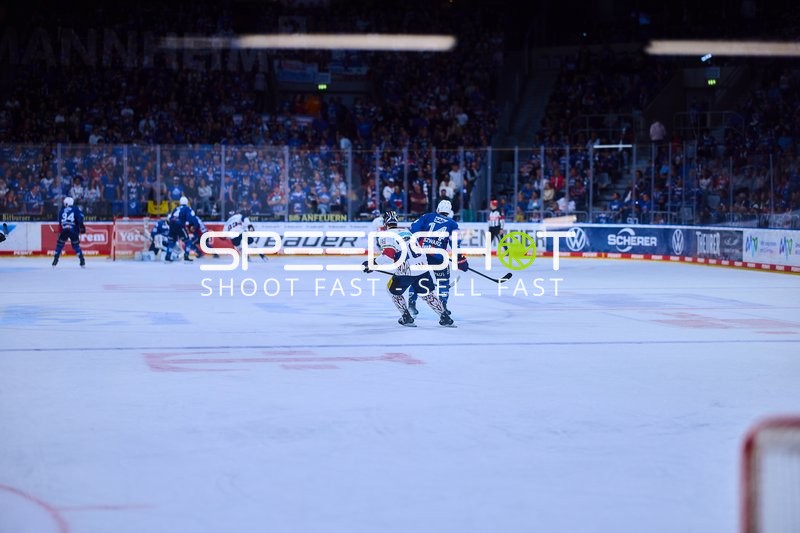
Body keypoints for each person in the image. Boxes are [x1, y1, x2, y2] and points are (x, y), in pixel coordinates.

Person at [365, 211, 451, 327]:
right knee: (427, 294)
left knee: (392, 291)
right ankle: (445, 317)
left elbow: (388, 256)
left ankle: (406, 317)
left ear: (385, 223)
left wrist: (372, 263)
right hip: (422, 268)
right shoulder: (407, 231)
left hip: (406, 271)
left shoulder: (386, 235)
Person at [409, 200, 469, 326]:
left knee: (415, 277)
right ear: (450, 212)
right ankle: (443, 305)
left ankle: (411, 303)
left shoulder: (427, 216)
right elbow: (455, 243)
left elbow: (413, 229)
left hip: (422, 254)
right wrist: (460, 258)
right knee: (443, 280)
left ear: (437, 209)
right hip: (438, 256)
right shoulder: (452, 224)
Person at [164, 196, 201, 262]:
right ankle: (186, 256)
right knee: (188, 241)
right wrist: (193, 225)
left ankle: (168, 256)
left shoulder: (176, 208)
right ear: (187, 202)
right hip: (179, 224)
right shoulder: (187, 208)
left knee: (171, 241)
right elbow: (191, 217)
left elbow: (168, 218)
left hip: (172, 224)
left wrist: (172, 226)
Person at [52, 196, 86, 268]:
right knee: (76, 246)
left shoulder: (62, 210)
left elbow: (60, 222)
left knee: (60, 245)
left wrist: (61, 230)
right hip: (73, 230)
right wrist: (81, 227)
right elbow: (80, 218)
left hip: (64, 230)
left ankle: (55, 260)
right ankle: (82, 260)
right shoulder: (76, 208)